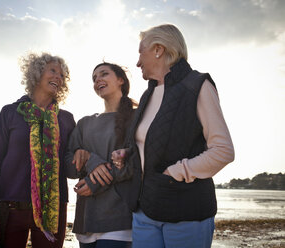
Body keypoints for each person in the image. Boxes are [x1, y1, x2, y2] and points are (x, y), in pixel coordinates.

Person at [112, 24, 235, 248]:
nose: (138, 62)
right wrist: (129, 152)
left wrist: (177, 172)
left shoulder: (197, 85)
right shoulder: (148, 94)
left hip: (187, 214)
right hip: (144, 212)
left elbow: (223, 151)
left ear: (158, 49)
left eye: (141, 52)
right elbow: (153, 143)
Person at [0, 52, 76, 248]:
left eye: (62, 75)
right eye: (53, 70)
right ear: (37, 73)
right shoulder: (10, 112)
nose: (58, 76)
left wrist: (82, 155)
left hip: (53, 210)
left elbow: (70, 165)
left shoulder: (66, 119)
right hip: (11, 208)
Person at [65, 62, 136, 248]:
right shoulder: (84, 123)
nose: (98, 80)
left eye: (104, 74)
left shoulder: (136, 118)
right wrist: (89, 159)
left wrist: (94, 179)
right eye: (94, 78)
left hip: (119, 219)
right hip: (86, 220)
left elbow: (136, 162)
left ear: (121, 80)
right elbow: (69, 166)